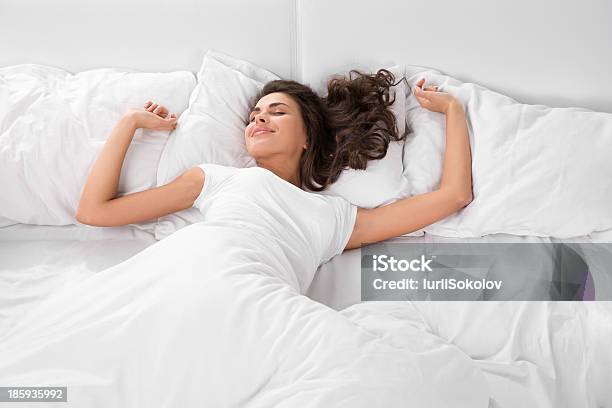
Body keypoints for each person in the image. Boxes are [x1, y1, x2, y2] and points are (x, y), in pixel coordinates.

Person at [76, 70, 473, 250]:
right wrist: (129, 123)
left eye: (277, 112)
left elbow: (454, 195)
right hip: (183, 272)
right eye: (253, 116)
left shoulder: (336, 219)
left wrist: (452, 110)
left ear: (307, 136)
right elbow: (93, 211)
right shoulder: (213, 178)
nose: (258, 119)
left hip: (259, 303)